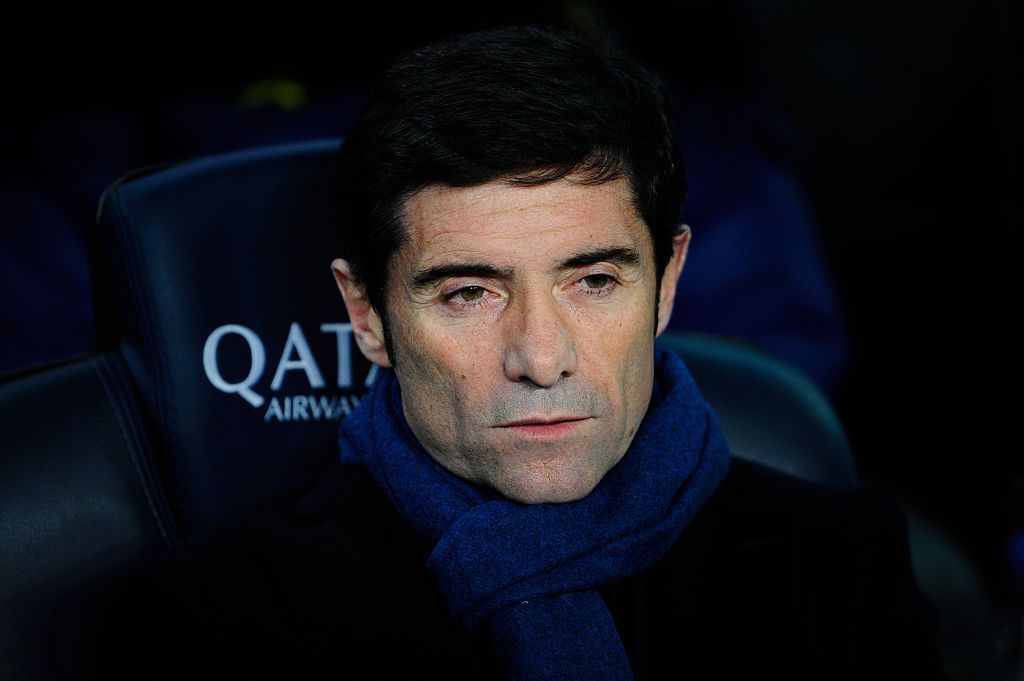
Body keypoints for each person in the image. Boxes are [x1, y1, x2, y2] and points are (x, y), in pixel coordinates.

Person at [91, 25, 946, 680]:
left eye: (594, 281)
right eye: (469, 293)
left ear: (667, 283)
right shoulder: (217, 619)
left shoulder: (841, 564)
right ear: (367, 315)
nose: (541, 359)